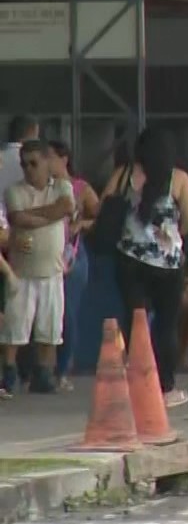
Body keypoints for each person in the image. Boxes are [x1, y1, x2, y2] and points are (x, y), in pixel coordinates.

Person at [110, 128, 188, 408]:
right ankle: (165, 387)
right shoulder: (178, 179)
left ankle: (132, 380)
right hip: (166, 264)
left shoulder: (124, 175)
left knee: (134, 320)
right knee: (166, 324)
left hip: (129, 259)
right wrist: (173, 238)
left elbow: (105, 204)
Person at [1, 141, 74, 396]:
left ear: (46, 163)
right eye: (24, 164)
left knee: (50, 327)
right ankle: (8, 372)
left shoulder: (62, 187)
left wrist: (33, 215)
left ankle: (44, 373)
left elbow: (65, 208)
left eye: (34, 163)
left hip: (52, 270)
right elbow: (18, 218)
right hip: (22, 271)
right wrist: (49, 215)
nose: (28, 169)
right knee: (14, 328)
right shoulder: (14, 191)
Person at [47, 141, 99, 392]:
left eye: (50, 158)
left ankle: (63, 369)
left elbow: (100, 216)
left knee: (68, 314)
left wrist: (83, 225)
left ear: (64, 159)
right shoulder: (44, 189)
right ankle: (42, 368)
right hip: (49, 254)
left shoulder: (81, 188)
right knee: (49, 313)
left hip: (74, 255)